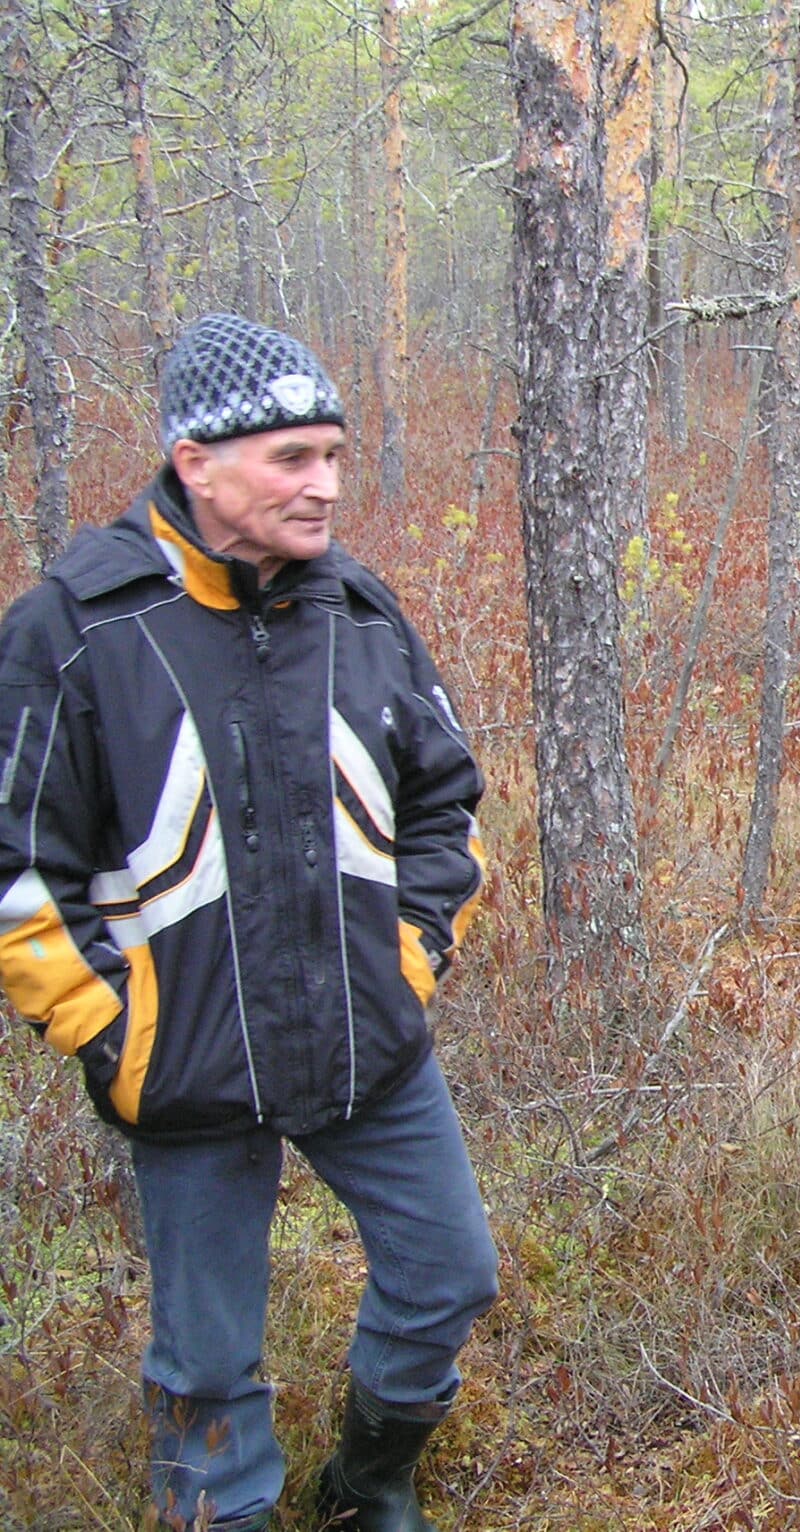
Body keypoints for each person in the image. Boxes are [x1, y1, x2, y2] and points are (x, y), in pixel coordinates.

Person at [0, 314, 498, 1531]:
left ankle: (369, 1480)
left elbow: (450, 806)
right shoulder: (77, 626)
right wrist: (113, 1029)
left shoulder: (363, 614)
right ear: (194, 459)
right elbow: (17, 867)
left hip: (366, 1041)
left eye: (332, 453)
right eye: (291, 458)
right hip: (184, 1062)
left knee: (448, 1275)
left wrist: (406, 959)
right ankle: (225, 1512)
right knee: (208, 1354)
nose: (325, 483)